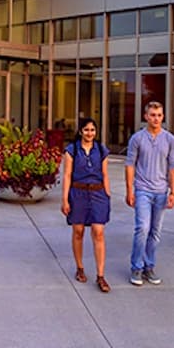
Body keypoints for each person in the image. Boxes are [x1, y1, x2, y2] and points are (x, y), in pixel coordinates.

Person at [125, 101, 174, 286]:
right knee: (142, 228)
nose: (156, 118)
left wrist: (173, 192)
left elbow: (173, 167)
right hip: (142, 190)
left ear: (163, 117)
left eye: (159, 115)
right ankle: (136, 268)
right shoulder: (137, 138)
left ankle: (149, 266)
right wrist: (129, 190)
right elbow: (130, 165)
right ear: (146, 116)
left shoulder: (170, 139)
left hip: (161, 192)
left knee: (155, 232)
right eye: (152, 115)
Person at [61, 117, 112, 293]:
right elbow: (67, 175)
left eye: (92, 130)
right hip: (78, 193)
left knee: (98, 231)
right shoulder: (72, 150)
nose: (90, 133)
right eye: (86, 130)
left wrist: (107, 193)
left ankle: (100, 275)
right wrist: (65, 199)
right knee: (78, 231)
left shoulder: (101, 149)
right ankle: (80, 268)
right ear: (81, 131)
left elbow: (105, 173)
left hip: (97, 193)